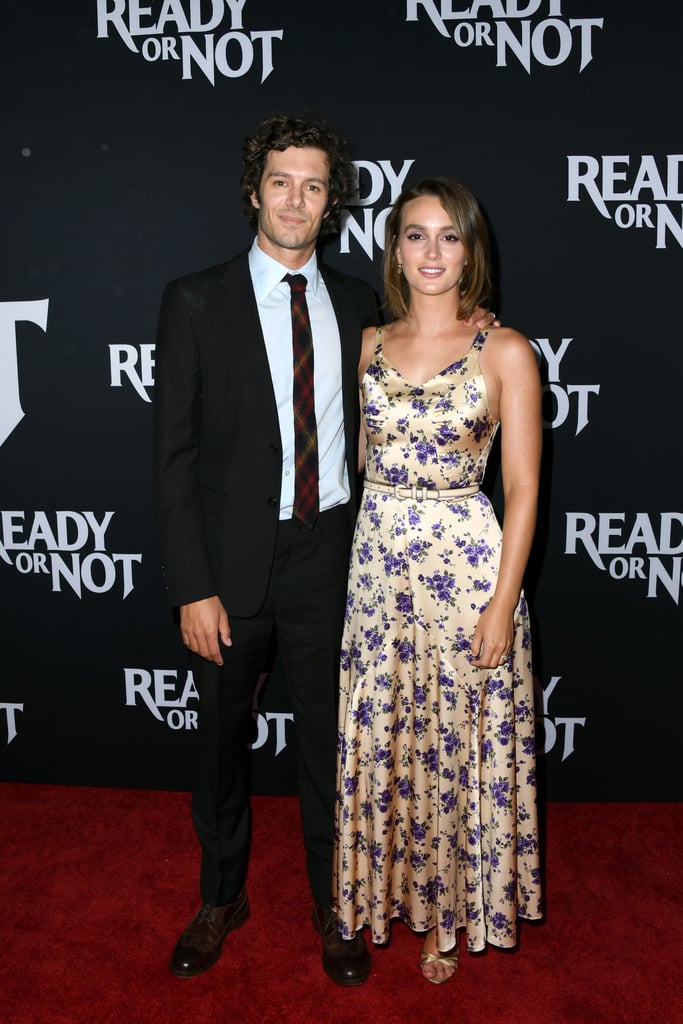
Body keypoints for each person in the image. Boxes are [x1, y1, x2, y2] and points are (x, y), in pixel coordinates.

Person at [153, 112, 379, 986]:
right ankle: (221, 897)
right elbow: (171, 458)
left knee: (331, 742)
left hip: (330, 555)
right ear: (254, 191)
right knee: (219, 743)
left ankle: (336, 901)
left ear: (332, 203)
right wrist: (192, 585)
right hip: (229, 566)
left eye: (314, 185)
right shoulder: (194, 299)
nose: (296, 199)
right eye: (281, 181)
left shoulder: (361, 302)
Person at [333, 177, 543, 984]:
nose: (430, 252)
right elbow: (354, 461)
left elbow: (522, 488)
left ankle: (451, 913)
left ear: (469, 250)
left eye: (447, 236)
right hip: (377, 575)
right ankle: (396, 896)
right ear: (393, 248)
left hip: (466, 573)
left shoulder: (506, 351)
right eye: (414, 235)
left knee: (456, 746)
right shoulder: (366, 346)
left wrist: (501, 603)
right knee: (392, 741)